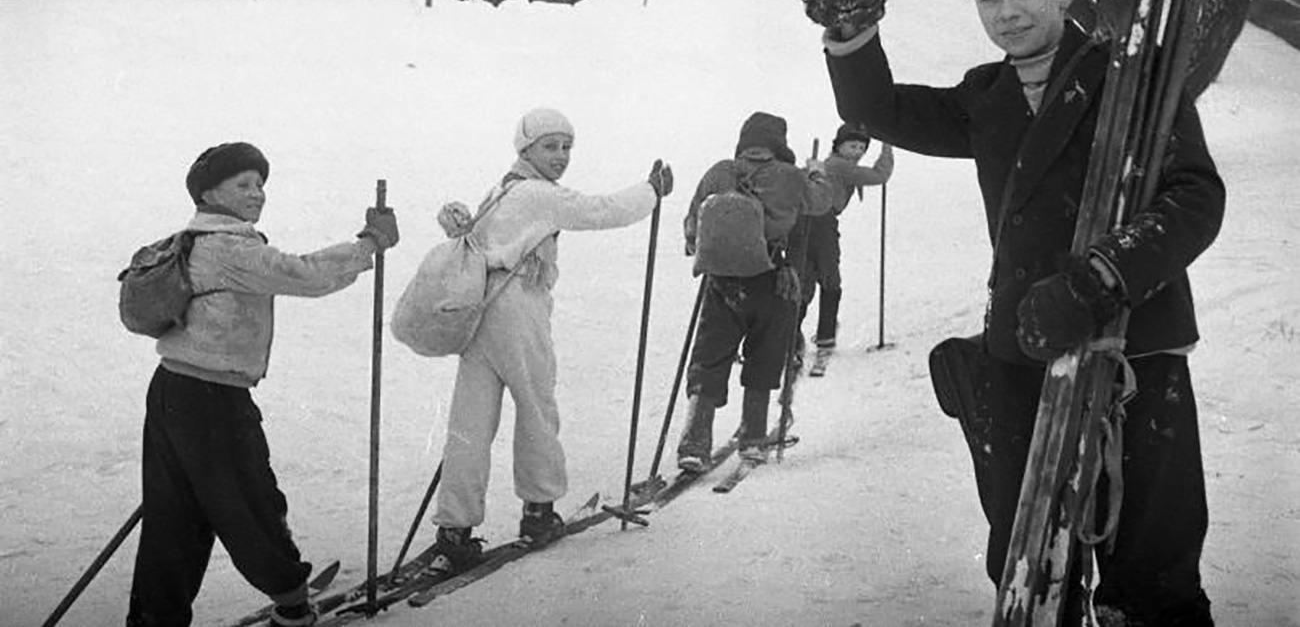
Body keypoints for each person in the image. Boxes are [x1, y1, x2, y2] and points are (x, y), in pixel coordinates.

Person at [804, 0, 1223, 626]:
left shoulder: (1131, 81)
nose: (1008, 12)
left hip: (1132, 352)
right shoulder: (985, 96)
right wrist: (854, 27)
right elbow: (877, 110)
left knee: (1151, 567)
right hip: (1023, 356)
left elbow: (1194, 198)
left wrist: (1099, 279)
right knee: (1032, 562)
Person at [127, 141, 400, 627]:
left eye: (260, 185)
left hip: (172, 390)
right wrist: (369, 245)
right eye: (244, 185)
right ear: (210, 192)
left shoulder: (193, 239)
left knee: (174, 515)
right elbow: (305, 275)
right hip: (212, 399)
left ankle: (155, 618)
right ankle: (294, 604)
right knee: (249, 499)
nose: (257, 195)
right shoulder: (227, 246)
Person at [426, 107, 672, 574]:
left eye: (566, 147)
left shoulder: (502, 189)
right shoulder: (539, 194)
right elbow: (602, 211)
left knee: (470, 423)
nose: (561, 157)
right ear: (526, 149)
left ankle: (454, 529)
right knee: (537, 409)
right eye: (550, 146)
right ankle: (539, 512)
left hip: (481, 314)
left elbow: (474, 241)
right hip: (519, 310)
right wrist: (651, 191)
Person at [676, 111, 833, 471]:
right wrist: (816, 171)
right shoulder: (790, 176)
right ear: (779, 143)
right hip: (772, 279)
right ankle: (753, 439)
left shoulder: (720, 171)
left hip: (722, 282)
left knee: (710, 357)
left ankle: (694, 443)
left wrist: (702, 247)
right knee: (764, 356)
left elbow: (692, 224)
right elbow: (822, 202)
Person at [792, 122, 893, 374]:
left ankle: (791, 334)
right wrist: (888, 148)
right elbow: (879, 176)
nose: (857, 151)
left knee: (804, 278)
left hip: (805, 222)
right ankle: (824, 335)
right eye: (852, 145)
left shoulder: (831, 164)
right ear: (839, 145)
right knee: (829, 279)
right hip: (822, 223)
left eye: (861, 147)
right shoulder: (841, 166)